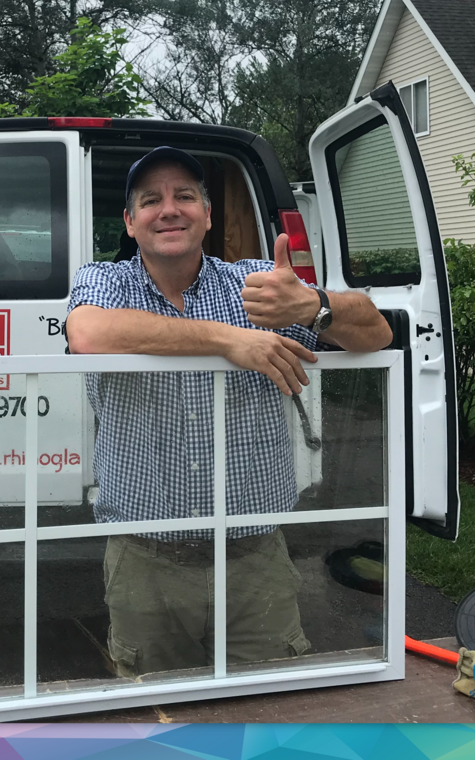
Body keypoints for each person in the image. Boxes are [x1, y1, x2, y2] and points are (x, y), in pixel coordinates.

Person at [65, 145, 393, 677]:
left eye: (185, 196)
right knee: (157, 721)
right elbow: (87, 335)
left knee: (269, 721)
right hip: (144, 563)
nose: (169, 209)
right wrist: (231, 341)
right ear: (129, 222)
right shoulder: (106, 282)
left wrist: (312, 306)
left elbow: (375, 332)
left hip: (254, 561)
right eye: (150, 200)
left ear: (208, 214)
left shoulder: (260, 286)